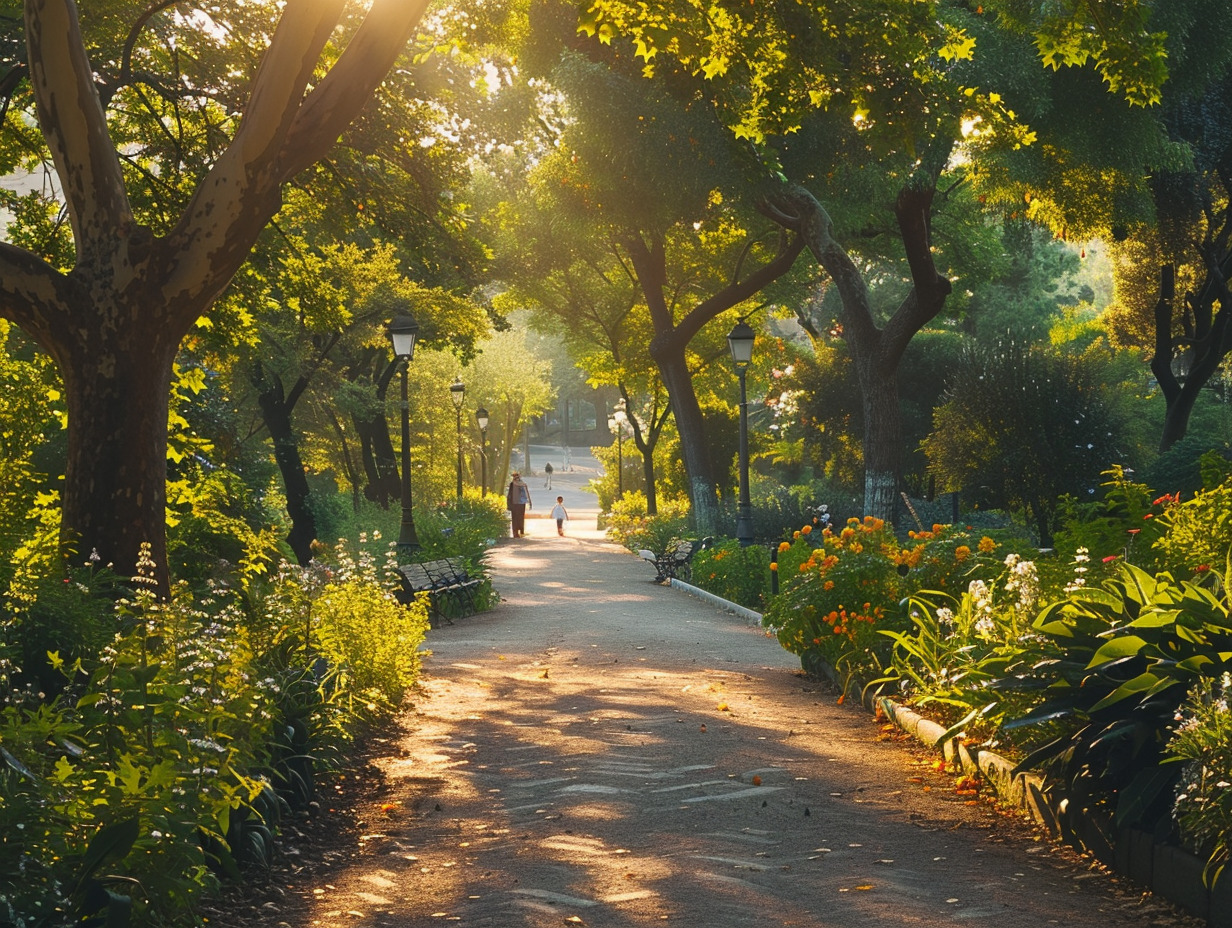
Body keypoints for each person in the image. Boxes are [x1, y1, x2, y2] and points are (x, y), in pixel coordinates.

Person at [506, 472, 532, 537]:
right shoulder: (512, 484)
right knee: (515, 518)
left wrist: (529, 502)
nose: (516, 478)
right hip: (514, 503)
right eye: (515, 477)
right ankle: (515, 533)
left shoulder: (523, 484)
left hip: (521, 503)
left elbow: (526, 493)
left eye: (517, 477)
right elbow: (509, 495)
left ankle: (521, 530)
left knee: (520, 517)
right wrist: (509, 504)